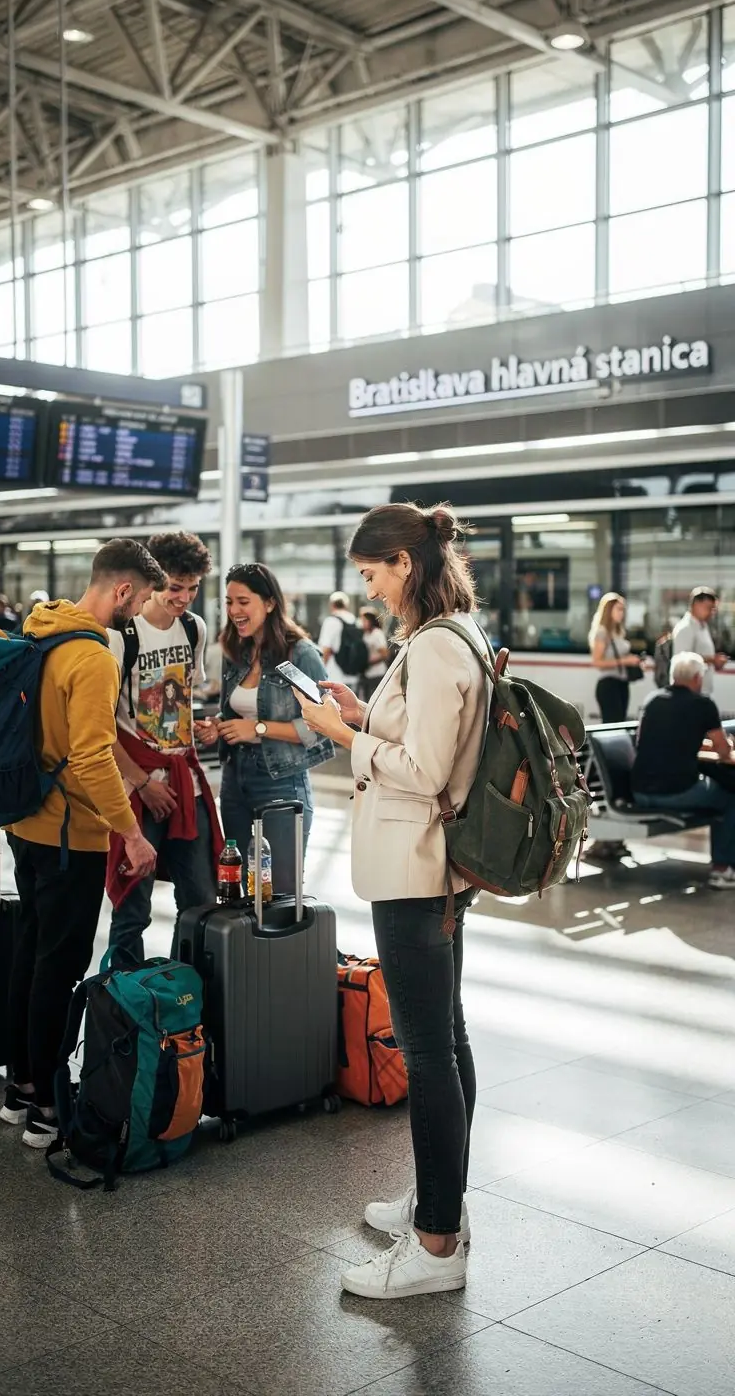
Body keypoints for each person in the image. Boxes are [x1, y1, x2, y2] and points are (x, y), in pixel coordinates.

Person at [296, 501, 488, 1300]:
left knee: (428, 1055)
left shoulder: (439, 647)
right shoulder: (451, 635)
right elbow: (420, 743)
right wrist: (360, 713)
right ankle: (439, 1202)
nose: (369, 590)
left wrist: (345, 739)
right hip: (434, 869)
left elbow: (427, 770)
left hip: (416, 870)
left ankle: (435, 1246)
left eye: (372, 574)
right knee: (447, 1039)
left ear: (405, 564)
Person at [1, 540, 162, 1149]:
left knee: (30, 951)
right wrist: (130, 832)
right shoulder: (93, 657)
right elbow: (93, 759)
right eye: (141, 599)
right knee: (60, 965)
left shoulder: (39, 630)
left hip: (26, 824)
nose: (138, 611)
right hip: (71, 833)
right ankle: (47, 1104)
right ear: (121, 590)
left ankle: (19, 1088)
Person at [106, 532, 221, 967]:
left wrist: (202, 728)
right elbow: (103, 727)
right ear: (153, 581)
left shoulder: (195, 628)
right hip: (138, 785)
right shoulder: (122, 635)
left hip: (184, 781)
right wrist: (141, 782)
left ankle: (179, 992)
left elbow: (185, 700)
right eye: (176, 587)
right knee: (132, 908)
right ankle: (124, 1003)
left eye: (192, 588)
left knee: (200, 900)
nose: (184, 598)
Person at [218, 563, 333, 896]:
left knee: (279, 892)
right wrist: (218, 728)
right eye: (228, 602)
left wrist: (258, 727)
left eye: (243, 601)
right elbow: (236, 713)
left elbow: (322, 727)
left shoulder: (301, 654)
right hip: (234, 780)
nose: (234, 611)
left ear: (269, 603)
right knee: (238, 888)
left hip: (281, 781)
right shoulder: (235, 650)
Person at [632, 651, 735, 890]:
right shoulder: (703, 704)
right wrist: (726, 743)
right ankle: (722, 869)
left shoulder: (653, 700)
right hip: (675, 792)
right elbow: (722, 752)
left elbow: (644, 741)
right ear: (698, 678)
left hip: (638, 789)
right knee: (729, 797)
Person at [589, 592, 644, 724]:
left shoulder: (618, 632)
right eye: (618, 609)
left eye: (623, 610)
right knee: (612, 725)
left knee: (619, 724)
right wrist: (625, 661)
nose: (622, 613)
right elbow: (597, 662)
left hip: (622, 684)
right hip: (609, 685)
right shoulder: (602, 632)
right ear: (609, 610)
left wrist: (633, 661)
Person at [672, 587, 729, 697]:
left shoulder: (703, 626)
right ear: (696, 605)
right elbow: (682, 662)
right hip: (688, 692)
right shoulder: (685, 628)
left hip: (702, 690)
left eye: (713, 609)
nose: (711, 613)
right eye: (708, 608)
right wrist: (712, 660)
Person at [318, 591, 364, 690]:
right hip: (353, 674)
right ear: (346, 605)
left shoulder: (331, 621)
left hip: (335, 675)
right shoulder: (355, 621)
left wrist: (320, 671)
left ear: (332, 605)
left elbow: (326, 649)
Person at [360, 606, 389, 701]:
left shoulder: (377, 634)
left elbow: (384, 654)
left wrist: (369, 661)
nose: (362, 623)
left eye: (365, 620)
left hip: (377, 673)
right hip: (367, 673)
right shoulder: (365, 634)